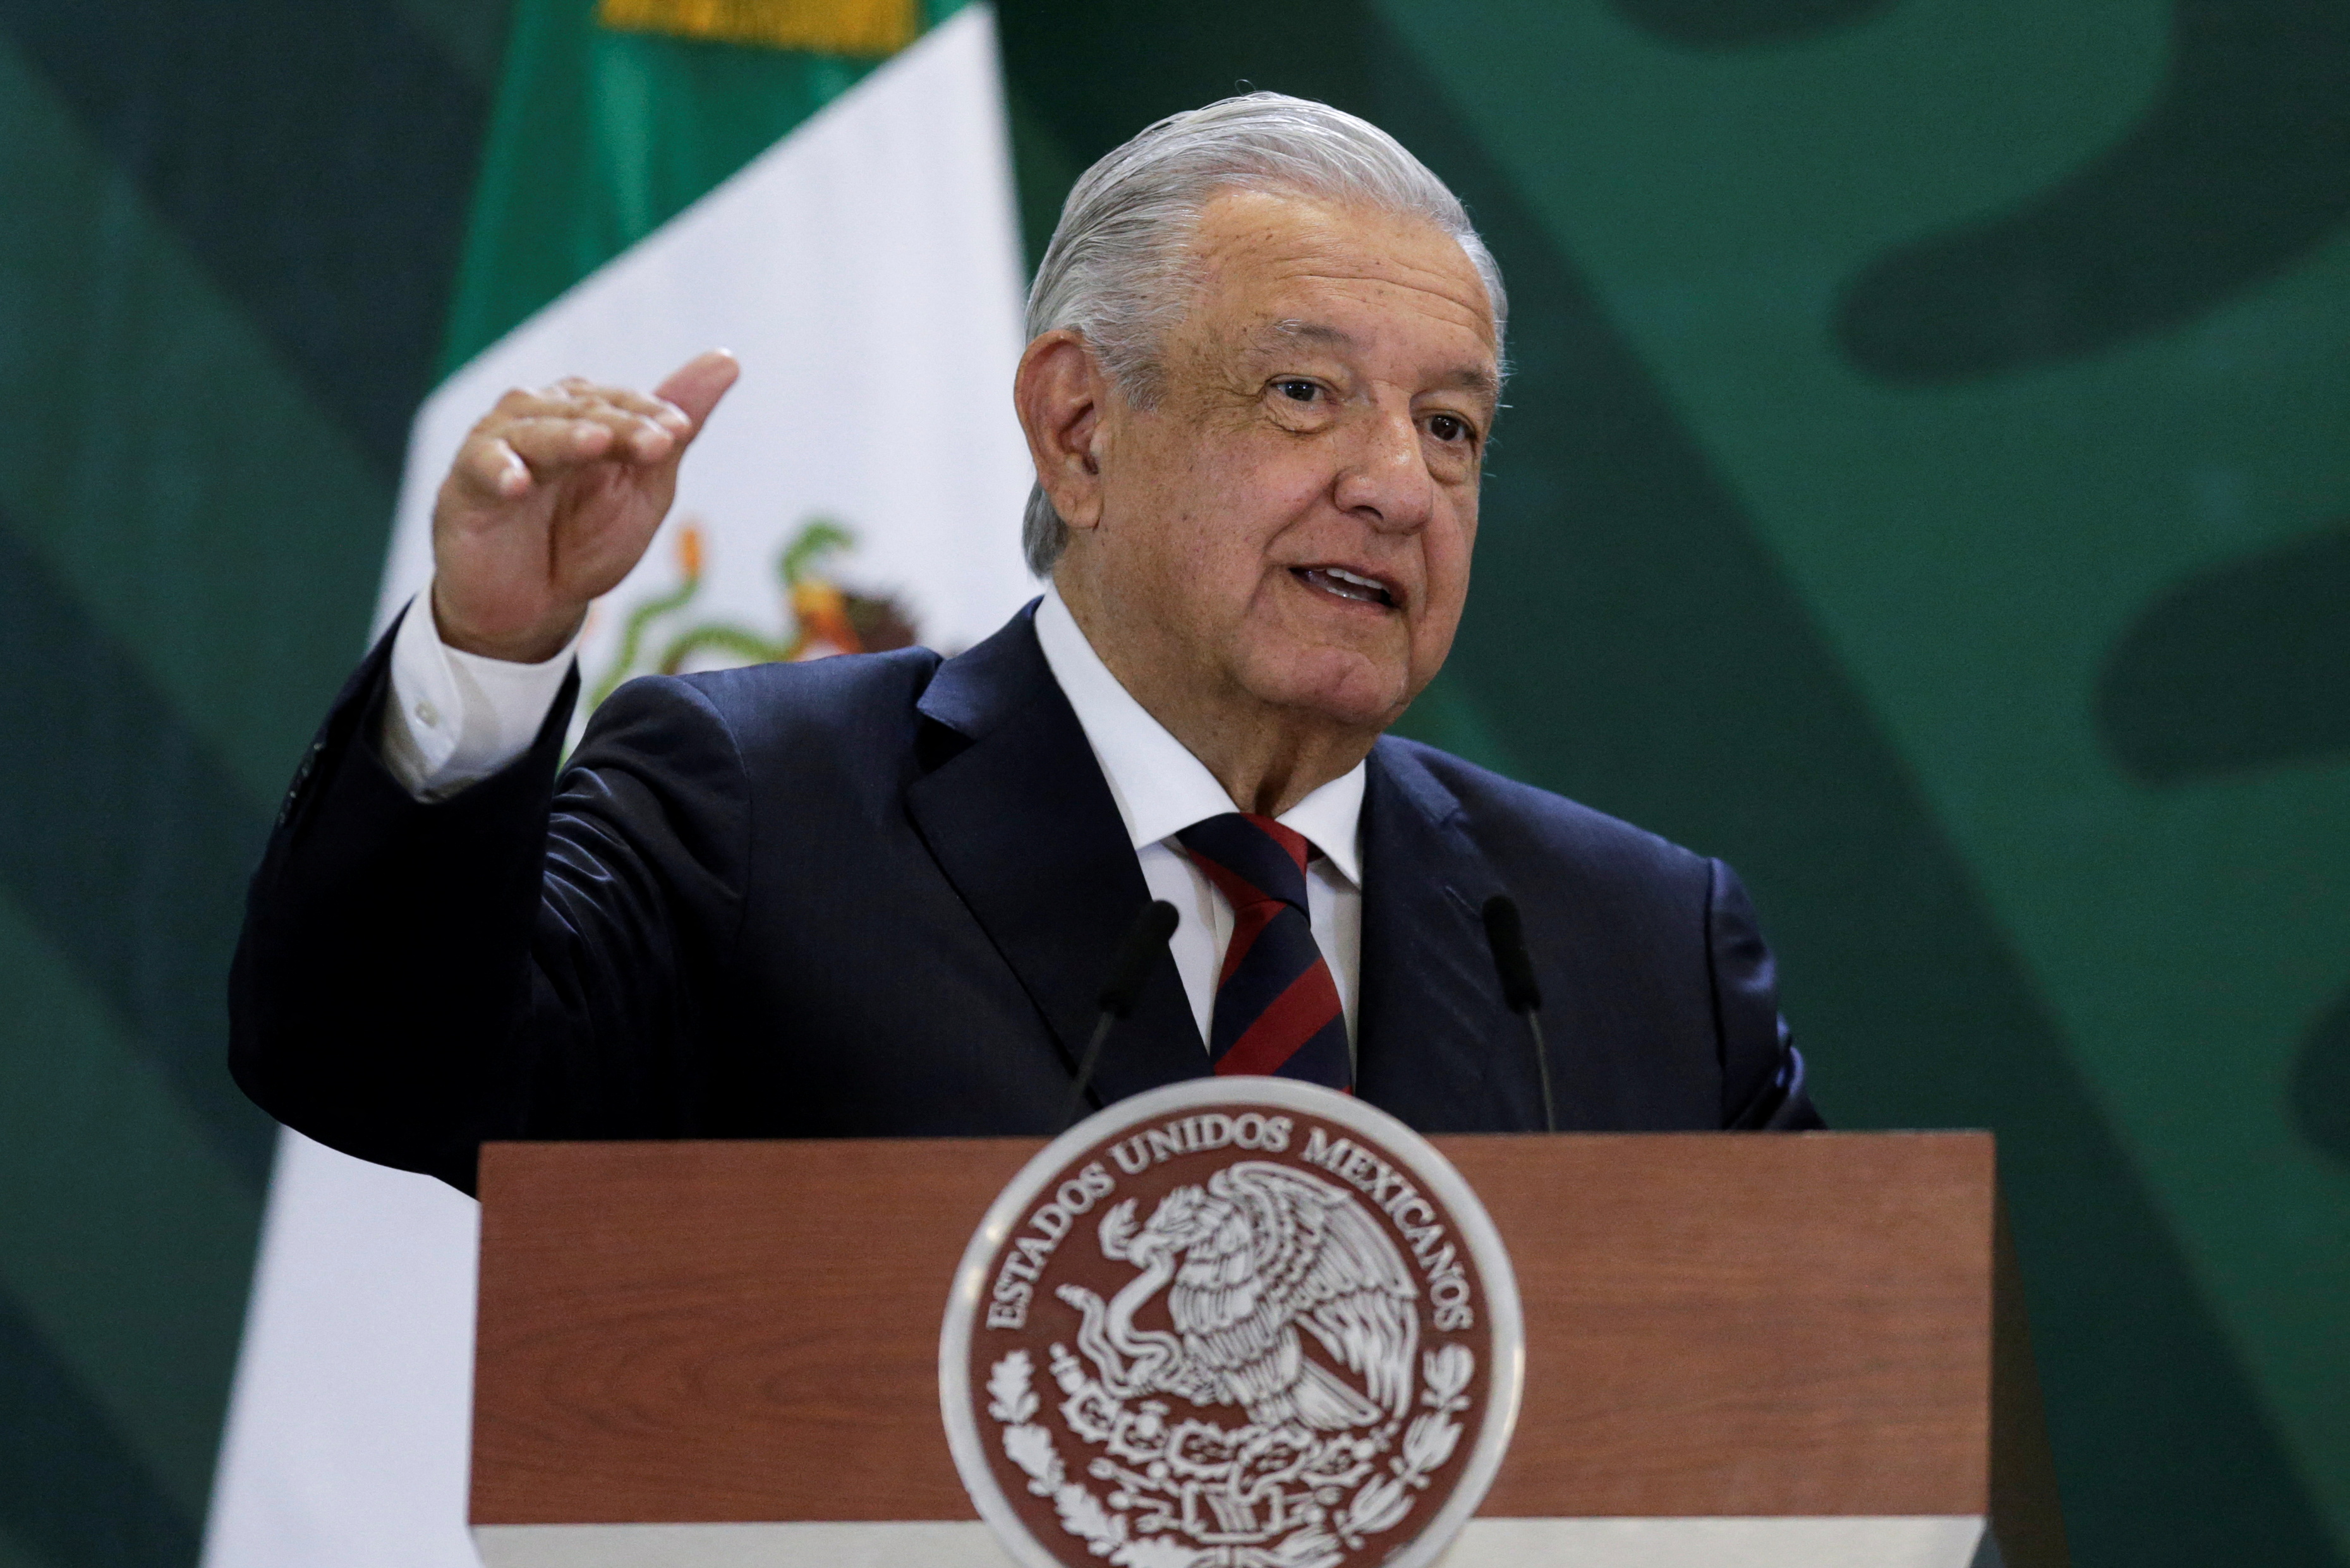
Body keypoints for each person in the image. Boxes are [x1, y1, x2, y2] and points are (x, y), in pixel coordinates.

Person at [230, 93, 1819, 1193]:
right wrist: (489, 657)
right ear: (1077, 428)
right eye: (1305, 393)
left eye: (1452, 425)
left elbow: (1844, 1417)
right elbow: (376, 1064)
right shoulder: (762, 813)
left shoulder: (1631, 947)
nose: (1398, 485)